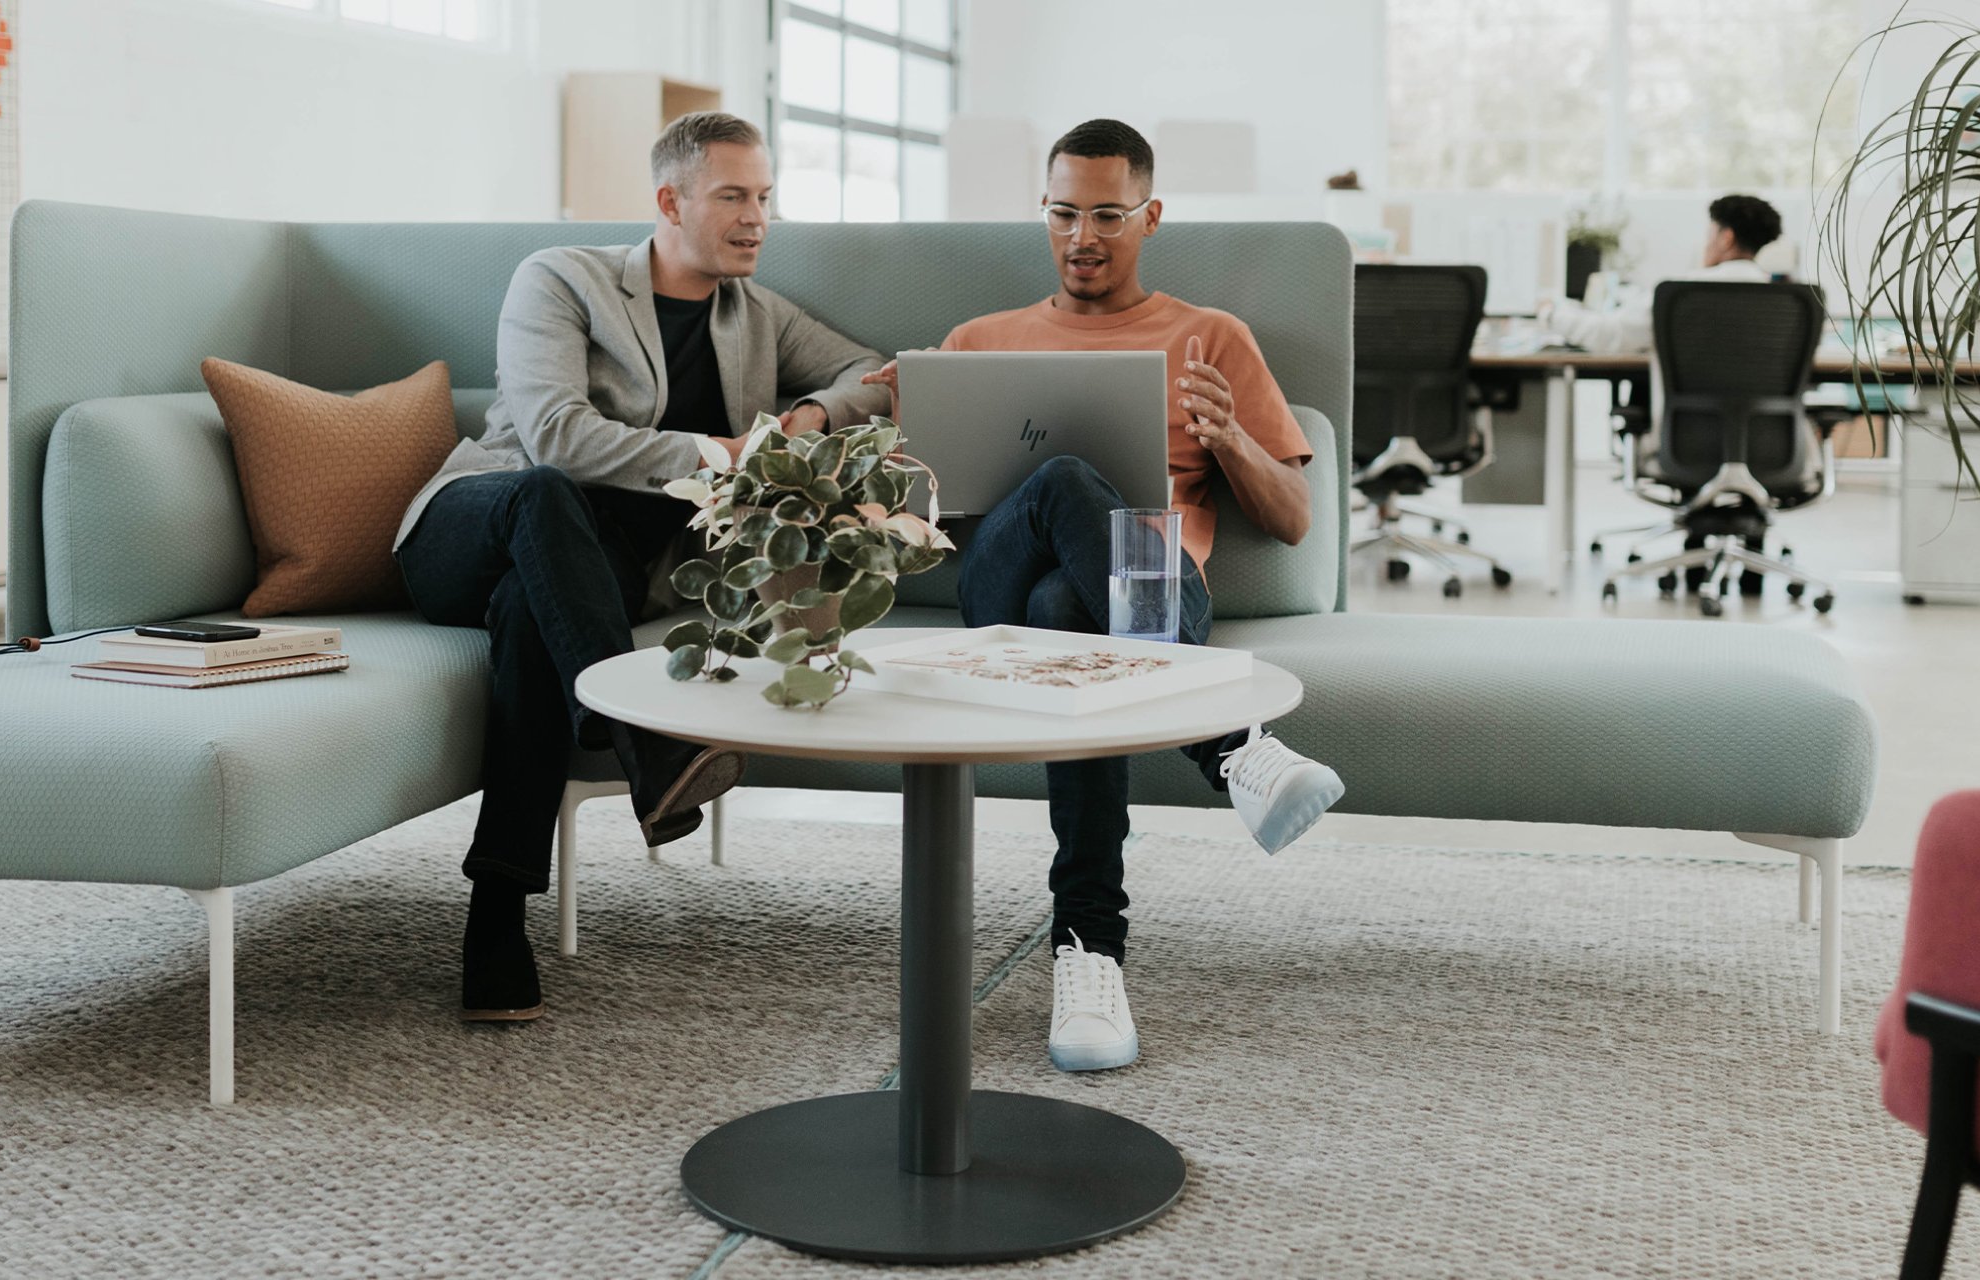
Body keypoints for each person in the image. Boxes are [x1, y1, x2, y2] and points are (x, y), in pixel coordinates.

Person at [865, 119, 1347, 1074]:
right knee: (1061, 484)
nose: (1081, 236)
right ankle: (1235, 748)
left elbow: (1293, 519)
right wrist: (902, 436)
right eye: (1062, 213)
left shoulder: (1211, 339)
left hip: (1125, 609)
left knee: (1066, 609)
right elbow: (922, 519)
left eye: (1106, 215)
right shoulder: (978, 341)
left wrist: (1231, 440)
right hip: (992, 597)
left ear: (1150, 216)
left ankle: (1089, 958)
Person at [394, 112, 891, 1022]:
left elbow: (875, 372)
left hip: (591, 575)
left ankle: (495, 916)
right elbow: (554, 434)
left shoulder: (756, 312)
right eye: (733, 197)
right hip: (476, 523)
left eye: (765, 198)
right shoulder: (561, 279)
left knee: (530, 616)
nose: (757, 220)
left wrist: (806, 420)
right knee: (547, 492)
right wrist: (721, 454)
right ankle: (643, 742)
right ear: (670, 200)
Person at [1539, 194, 1785, 354]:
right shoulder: (1785, 302)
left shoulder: (1681, 294)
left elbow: (1608, 335)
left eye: (1709, 235)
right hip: (1771, 433)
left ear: (1726, 238)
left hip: (1687, 429)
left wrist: (1551, 314)